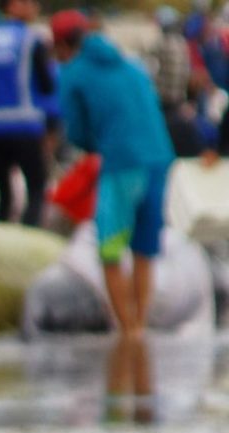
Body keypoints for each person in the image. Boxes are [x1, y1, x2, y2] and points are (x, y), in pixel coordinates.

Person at [53, 8, 177, 334]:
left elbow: (77, 132)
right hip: (160, 157)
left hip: (122, 162)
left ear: (62, 45)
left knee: (109, 248)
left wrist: (97, 144)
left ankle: (128, 331)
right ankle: (139, 324)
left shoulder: (74, 72)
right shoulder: (130, 64)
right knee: (144, 247)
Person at [0, 0, 58, 222]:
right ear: (13, 5)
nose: (35, 7)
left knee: (3, 193)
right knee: (36, 189)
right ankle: (28, 244)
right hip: (26, 126)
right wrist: (52, 126)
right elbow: (47, 86)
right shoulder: (31, 38)